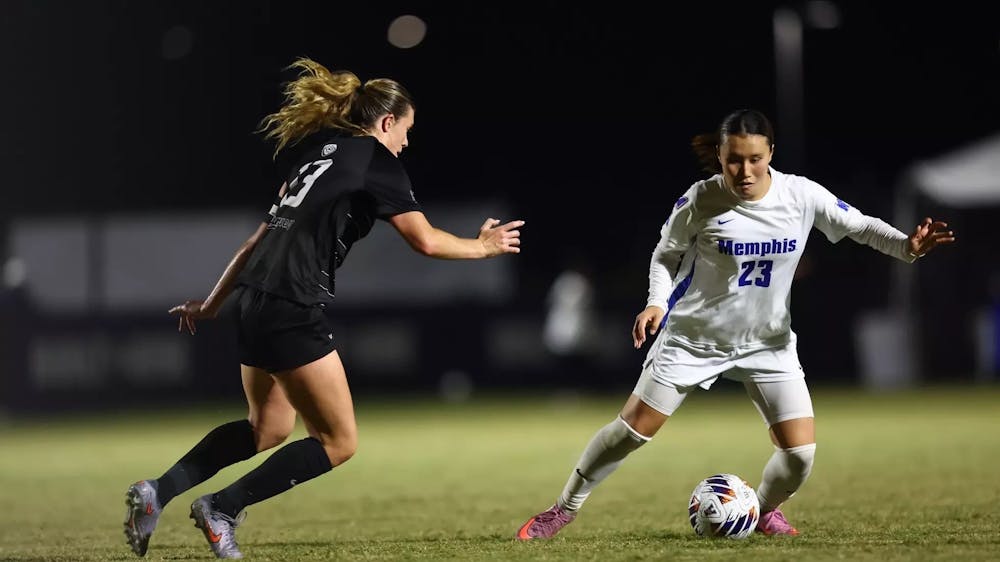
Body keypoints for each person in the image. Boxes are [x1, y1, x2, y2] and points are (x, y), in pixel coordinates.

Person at [122, 57, 524, 559]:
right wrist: (482, 247)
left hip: (251, 301)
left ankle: (156, 492)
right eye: (406, 130)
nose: (406, 142)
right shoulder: (379, 161)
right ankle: (222, 507)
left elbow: (255, 241)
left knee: (266, 429)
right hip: (291, 307)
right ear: (385, 122)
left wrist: (212, 304)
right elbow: (424, 241)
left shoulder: (319, 155)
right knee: (338, 442)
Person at [515, 109, 954, 540]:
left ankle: (760, 511)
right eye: (734, 160)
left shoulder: (800, 195)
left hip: (768, 343)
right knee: (630, 432)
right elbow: (666, 254)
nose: (744, 170)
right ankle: (561, 511)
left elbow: (859, 226)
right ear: (721, 157)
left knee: (800, 456)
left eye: (755, 159)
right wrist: (656, 303)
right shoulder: (701, 198)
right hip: (694, 339)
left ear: (771, 154)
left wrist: (907, 247)